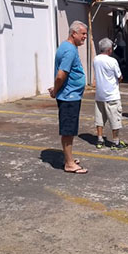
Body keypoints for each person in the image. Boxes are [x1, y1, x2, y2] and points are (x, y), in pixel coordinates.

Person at [49, 20, 88, 174]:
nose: (85, 36)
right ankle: (69, 164)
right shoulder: (70, 50)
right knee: (68, 130)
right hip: (69, 97)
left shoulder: (67, 47)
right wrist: (55, 90)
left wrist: (56, 89)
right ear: (73, 33)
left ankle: (68, 158)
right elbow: (61, 75)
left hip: (70, 95)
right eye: (83, 33)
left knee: (70, 130)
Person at [93, 38, 128, 150]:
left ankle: (100, 139)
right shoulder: (112, 61)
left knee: (99, 118)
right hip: (112, 94)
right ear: (109, 49)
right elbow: (119, 76)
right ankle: (115, 142)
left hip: (100, 94)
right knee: (115, 118)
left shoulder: (96, 59)